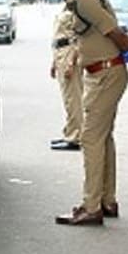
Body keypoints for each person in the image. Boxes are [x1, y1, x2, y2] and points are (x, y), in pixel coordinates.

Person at [39, 0, 128, 227]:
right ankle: (106, 200)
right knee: (103, 137)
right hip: (102, 73)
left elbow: (114, 32)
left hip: (106, 74)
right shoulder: (77, 1)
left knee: (90, 139)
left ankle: (91, 207)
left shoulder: (84, 0)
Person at [49, 8, 83, 151]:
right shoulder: (66, 8)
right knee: (68, 99)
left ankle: (76, 136)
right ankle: (70, 132)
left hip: (69, 53)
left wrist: (71, 62)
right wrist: (54, 62)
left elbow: (79, 38)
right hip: (60, 52)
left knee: (73, 99)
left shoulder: (78, 10)